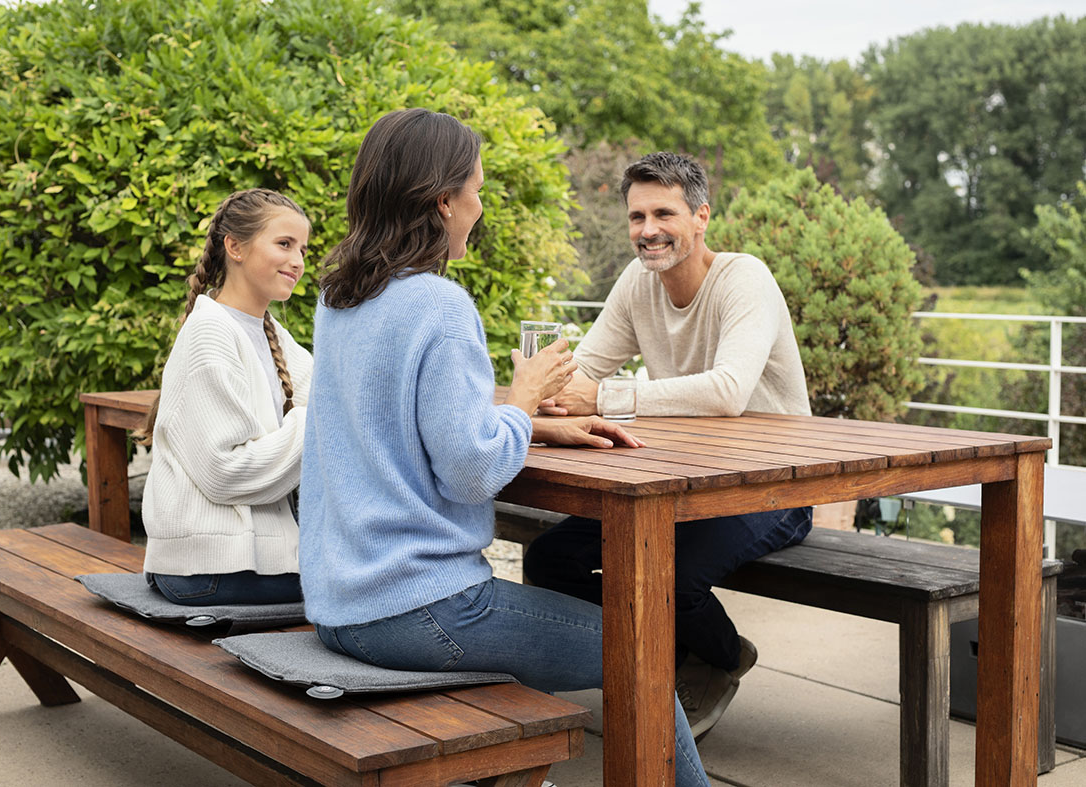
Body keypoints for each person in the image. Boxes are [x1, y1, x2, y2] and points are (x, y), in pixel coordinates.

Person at [298, 109, 712, 786]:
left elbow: (392, 424)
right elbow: (469, 471)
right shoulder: (439, 305)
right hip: (417, 610)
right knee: (645, 652)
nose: (479, 207)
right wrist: (520, 400)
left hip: (338, 604)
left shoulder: (340, 297)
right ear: (441, 201)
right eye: (477, 191)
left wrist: (538, 425)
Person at [525, 152, 815, 740]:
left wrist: (599, 398)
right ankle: (662, 661)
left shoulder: (744, 279)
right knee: (549, 558)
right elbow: (583, 370)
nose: (648, 230)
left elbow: (729, 391)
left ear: (701, 216)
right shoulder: (640, 282)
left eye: (664, 213)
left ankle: (723, 656)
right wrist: (542, 395)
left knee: (668, 578)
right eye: (637, 216)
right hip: (680, 482)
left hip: (774, 485)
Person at [136, 188, 313, 606]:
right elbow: (225, 471)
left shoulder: (272, 335)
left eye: (303, 249)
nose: (298, 261)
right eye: (284, 244)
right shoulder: (210, 332)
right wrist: (315, 424)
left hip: (238, 564)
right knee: (378, 591)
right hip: (208, 567)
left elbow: (336, 396)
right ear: (235, 246)